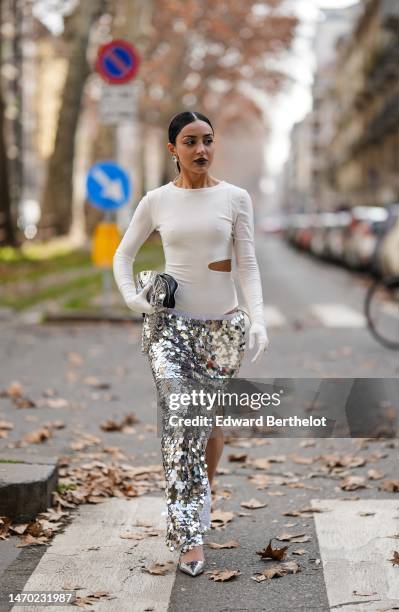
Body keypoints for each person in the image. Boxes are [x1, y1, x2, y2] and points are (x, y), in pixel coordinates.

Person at [113, 111, 269, 576]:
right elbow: (124, 256)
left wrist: (257, 321)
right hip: (170, 328)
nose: (201, 149)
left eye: (207, 140)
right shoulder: (156, 201)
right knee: (183, 419)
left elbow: (248, 266)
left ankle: (198, 495)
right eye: (189, 141)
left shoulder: (235, 198)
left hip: (223, 331)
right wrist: (132, 300)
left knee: (209, 427)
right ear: (172, 149)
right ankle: (187, 534)